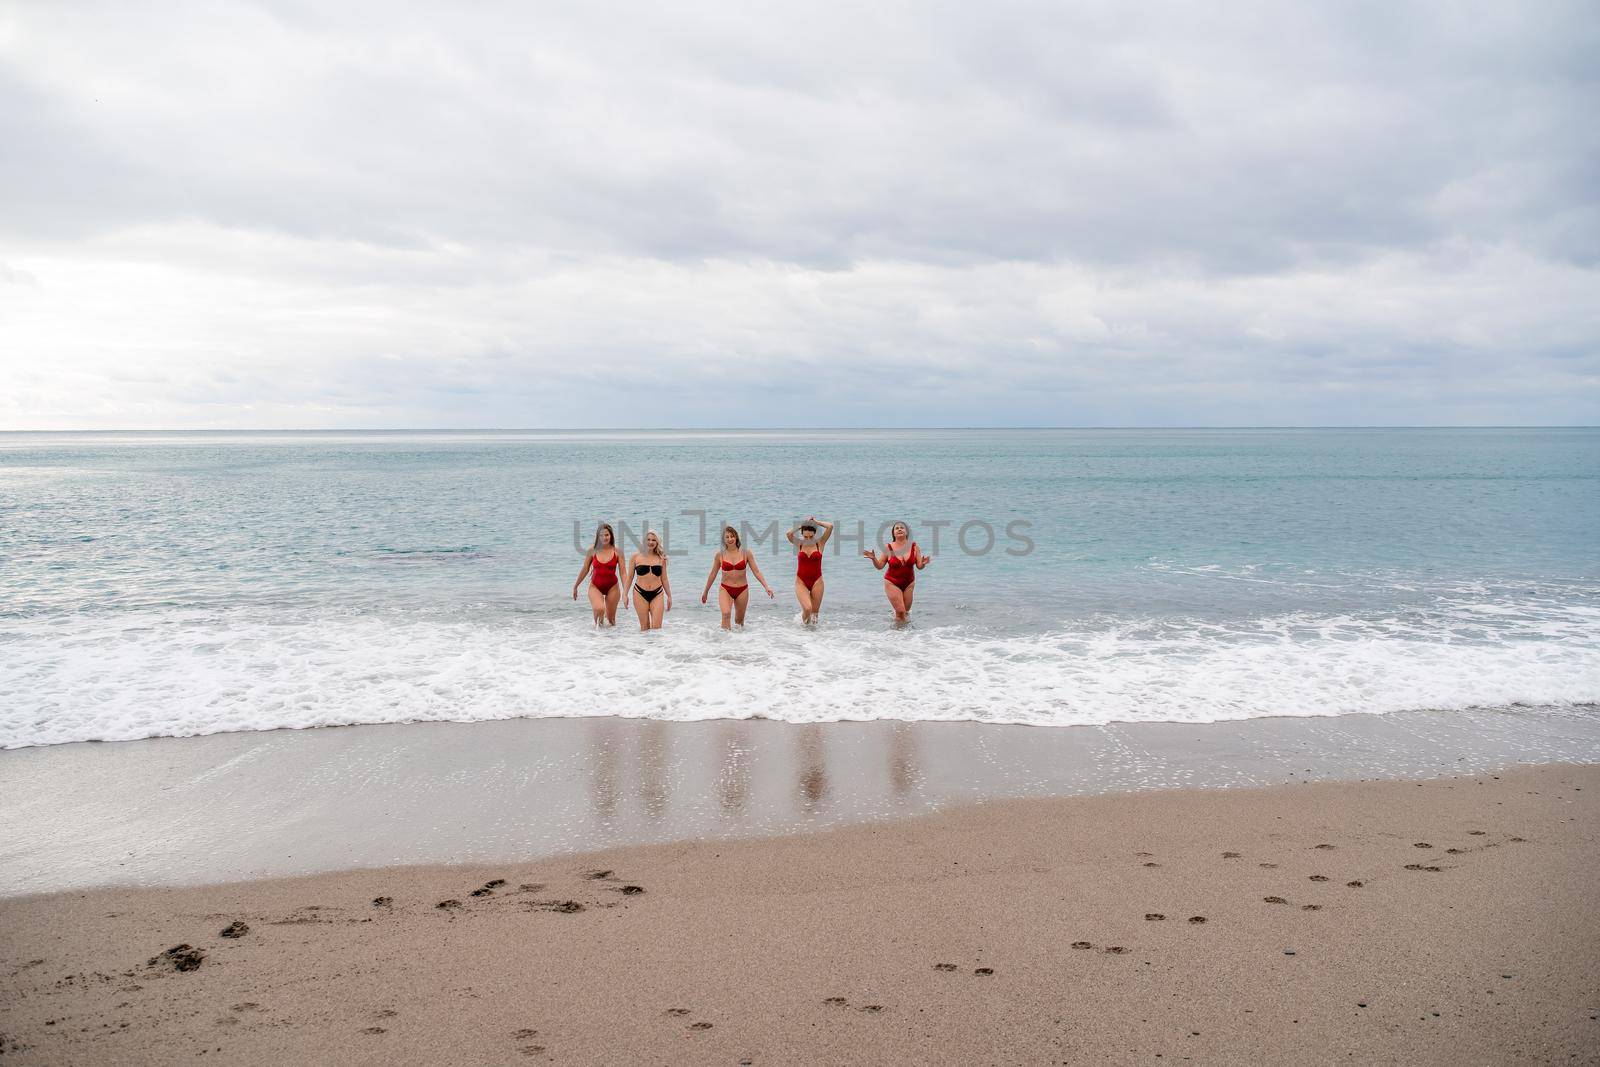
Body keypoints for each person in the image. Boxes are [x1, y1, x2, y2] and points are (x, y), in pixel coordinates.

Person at [700, 525, 774, 629]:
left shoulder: (746, 553)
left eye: (732, 536)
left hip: (742, 590)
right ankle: (724, 642)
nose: (730, 539)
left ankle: (737, 643)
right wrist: (705, 592)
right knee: (726, 614)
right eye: (727, 537)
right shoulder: (719, 555)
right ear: (724, 540)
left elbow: (756, 572)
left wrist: (766, 587)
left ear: (736, 537)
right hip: (725, 589)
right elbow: (712, 574)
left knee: (739, 622)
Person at [863, 521, 930, 622]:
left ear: (906, 532)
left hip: (909, 584)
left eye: (902, 528)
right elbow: (880, 566)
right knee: (900, 612)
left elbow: (919, 566)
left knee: (906, 613)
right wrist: (873, 559)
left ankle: (906, 634)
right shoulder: (888, 548)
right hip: (892, 582)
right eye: (897, 528)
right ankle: (896, 635)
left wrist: (923, 564)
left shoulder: (914, 547)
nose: (899, 529)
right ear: (893, 533)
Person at [571, 522, 622, 626]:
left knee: (612, 621)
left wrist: (625, 591)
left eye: (607, 535)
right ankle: (597, 637)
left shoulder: (617, 551)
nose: (604, 537)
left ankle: (612, 640)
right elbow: (585, 568)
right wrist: (576, 586)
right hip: (595, 586)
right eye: (601, 535)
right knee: (600, 609)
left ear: (611, 535)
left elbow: (624, 573)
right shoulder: (592, 550)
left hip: (612, 587)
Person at [785, 516, 834, 623]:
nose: (808, 539)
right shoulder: (799, 544)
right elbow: (788, 534)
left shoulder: (820, 543)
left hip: (817, 581)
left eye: (810, 537)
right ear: (802, 534)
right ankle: (803, 632)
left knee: (815, 616)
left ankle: (812, 638)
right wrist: (801, 525)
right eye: (805, 537)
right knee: (807, 608)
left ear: (814, 534)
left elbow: (830, 527)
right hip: (801, 581)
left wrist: (816, 522)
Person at [623, 530, 672, 631]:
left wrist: (669, 596)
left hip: (657, 593)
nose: (650, 542)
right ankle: (645, 647)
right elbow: (630, 577)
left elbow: (664, 579)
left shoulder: (661, 558)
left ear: (657, 542)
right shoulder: (635, 557)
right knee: (644, 628)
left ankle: (657, 647)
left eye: (653, 540)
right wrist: (625, 594)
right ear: (644, 541)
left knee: (657, 628)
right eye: (648, 540)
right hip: (639, 593)